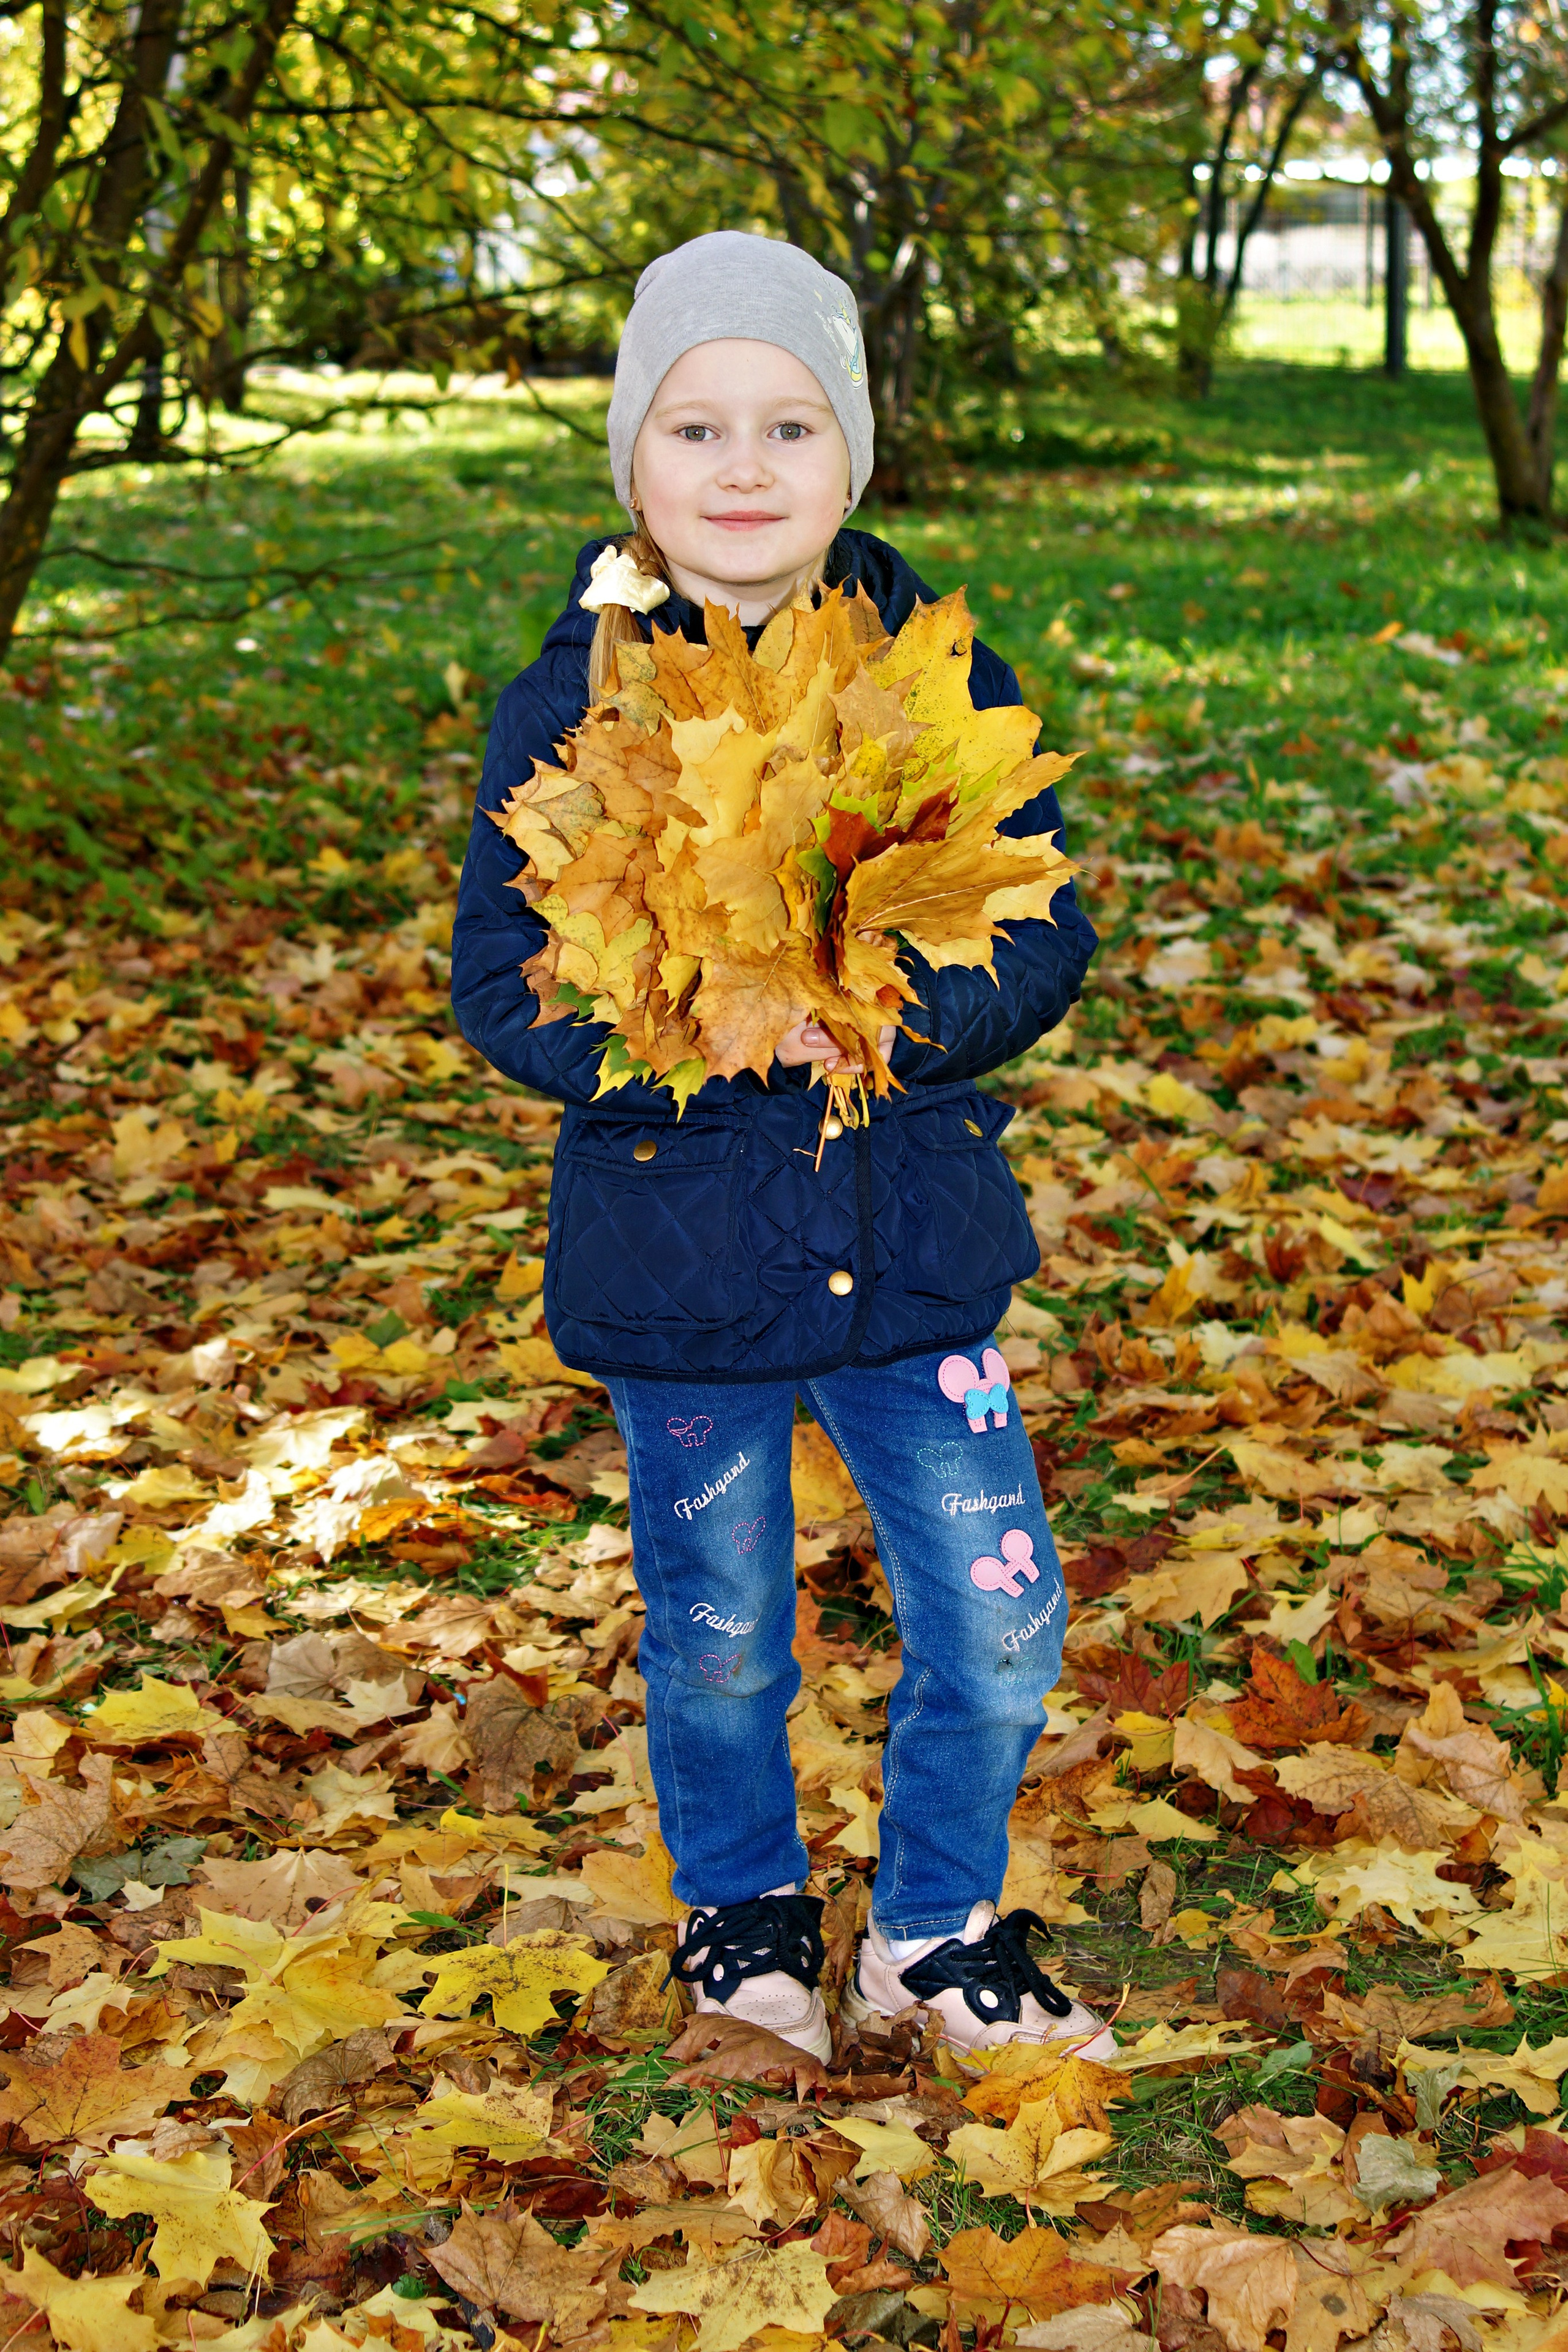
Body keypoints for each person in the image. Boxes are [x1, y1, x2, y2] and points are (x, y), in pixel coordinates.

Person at [451, 231, 1108, 2065]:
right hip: (687, 1266)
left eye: (792, 426)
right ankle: (741, 1914)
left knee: (998, 1613)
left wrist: (902, 1020)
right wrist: (688, 1035)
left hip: (911, 1253)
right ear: (633, 466)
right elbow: (500, 988)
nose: (745, 470)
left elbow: (1040, 926)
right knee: (721, 1630)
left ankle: (932, 1927)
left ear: (855, 457)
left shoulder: (928, 685)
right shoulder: (570, 705)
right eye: (696, 428)